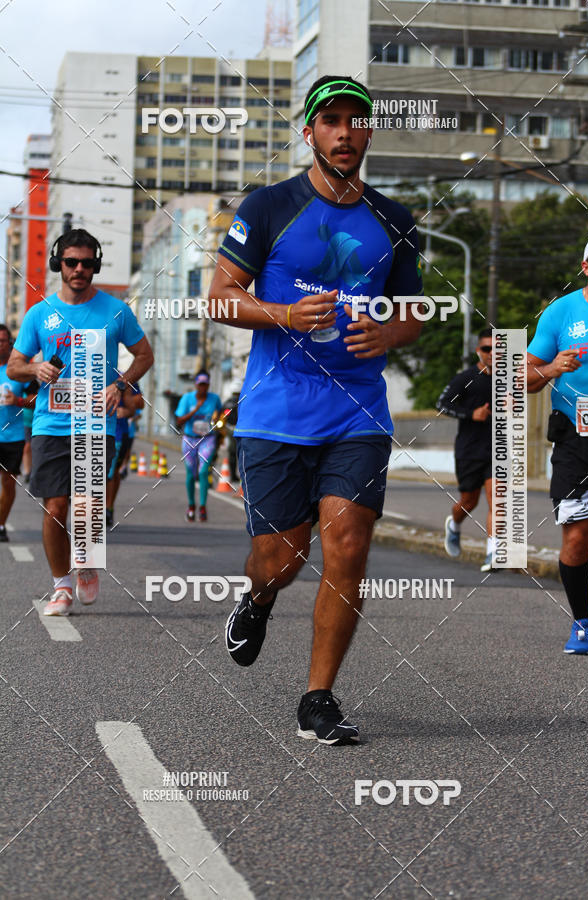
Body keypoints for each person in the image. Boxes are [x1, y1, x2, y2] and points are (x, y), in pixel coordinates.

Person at [208, 75, 423, 745]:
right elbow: (219, 296)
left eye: (357, 121)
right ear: (310, 131)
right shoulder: (271, 206)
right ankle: (259, 600)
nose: (345, 131)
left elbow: (414, 310)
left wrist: (387, 333)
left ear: (368, 133)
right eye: (331, 120)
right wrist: (282, 313)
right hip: (276, 413)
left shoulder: (395, 219)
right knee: (279, 558)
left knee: (348, 545)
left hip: (357, 413)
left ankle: (318, 697)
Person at [7, 229, 153, 615]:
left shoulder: (116, 310)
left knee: (87, 505)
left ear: (95, 266)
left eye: (87, 263)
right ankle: (61, 587)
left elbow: (144, 355)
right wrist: (36, 367)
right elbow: (14, 365)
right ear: (59, 263)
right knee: (56, 507)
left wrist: (119, 385)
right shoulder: (39, 313)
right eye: (71, 262)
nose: (79, 269)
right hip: (50, 424)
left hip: (95, 423)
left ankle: (86, 561)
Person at [527, 233, 588, 654]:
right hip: (576, 433)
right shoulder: (561, 312)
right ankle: (581, 622)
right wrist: (553, 366)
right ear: (586, 265)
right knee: (577, 538)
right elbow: (521, 379)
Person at [437, 328, 495, 571]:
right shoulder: (466, 378)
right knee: (468, 502)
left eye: (498, 348)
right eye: (487, 348)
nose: (493, 353)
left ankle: (494, 553)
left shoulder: (509, 378)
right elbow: (441, 404)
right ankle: (455, 523)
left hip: (498, 449)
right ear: (478, 351)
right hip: (469, 450)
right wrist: (472, 414)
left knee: (498, 501)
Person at [0, 324, 36, 542]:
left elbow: (36, 398)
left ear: (9, 343)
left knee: (8, 483)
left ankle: (1, 523)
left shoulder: (19, 369)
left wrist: (19, 401)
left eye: (3, 341)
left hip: (12, 436)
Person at [175, 371, 221, 522]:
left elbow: (219, 414)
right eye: (200, 384)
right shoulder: (187, 399)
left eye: (205, 384)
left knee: (203, 472)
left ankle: (202, 506)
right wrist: (195, 409)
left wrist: (219, 422)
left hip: (207, 439)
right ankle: (191, 505)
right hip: (189, 439)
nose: (203, 387)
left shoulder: (214, 399)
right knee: (191, 474)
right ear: (196, 384)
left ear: (208, 385)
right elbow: (179, 421)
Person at [106, 381, 144, 526]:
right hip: (89, 431)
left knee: (111, 473)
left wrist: (121, 399)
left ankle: (108, 508)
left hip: (118, 432)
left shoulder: (124, 377)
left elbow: (140, 402)